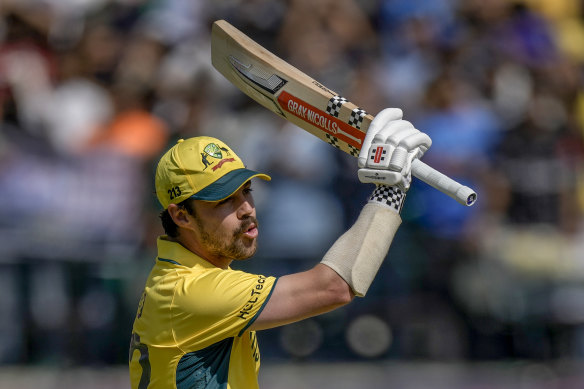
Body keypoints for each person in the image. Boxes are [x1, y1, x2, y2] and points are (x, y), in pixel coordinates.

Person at [129, 108, 432, 389]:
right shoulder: (191, 291)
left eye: (246, 191)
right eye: (224, 201)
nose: (247, 208)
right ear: (181, 215)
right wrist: (390, 191)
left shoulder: (187, 277)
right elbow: (334, 287)